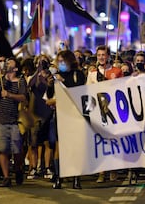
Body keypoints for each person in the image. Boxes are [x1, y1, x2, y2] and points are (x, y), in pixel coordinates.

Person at [0, 57, 28, 187]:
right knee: (2, 150)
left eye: (10, 62)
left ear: (15, 68)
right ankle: (6, 177)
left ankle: (17, 169)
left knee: (17, 150)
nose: (7, 64)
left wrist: (9, 95)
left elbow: (23, 97)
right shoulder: (2, 79)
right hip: (1, 120)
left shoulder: (20, 81)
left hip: (15, 120)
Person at [86, 45, 122, 183]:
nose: (101, 57)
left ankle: (113, 169)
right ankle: (102, 172)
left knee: (113, 140)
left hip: (113, 111)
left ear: (108, 56)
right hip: (98, 111)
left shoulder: (116, 71)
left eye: (103, 55)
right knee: (100, 141)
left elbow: (121, 89)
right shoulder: (92, 73)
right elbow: (87, 91)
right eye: (99, 55)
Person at [52, 49, 86, 189]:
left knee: (75, 147)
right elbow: (49, 94)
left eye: (62, 61)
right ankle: (58, 177)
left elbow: (78, 91)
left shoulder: (77, 74)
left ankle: (76, 178)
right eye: (58, 61)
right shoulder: (56, 76)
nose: (60, 64)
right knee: (59, 146)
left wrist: (63, 81)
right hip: (61, 114)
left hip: (75, 115)